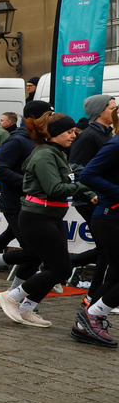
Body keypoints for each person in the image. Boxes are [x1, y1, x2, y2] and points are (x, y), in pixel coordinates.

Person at [0, 113, 96, 327]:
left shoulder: (57, 152)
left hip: (51, 216)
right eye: (68, 132)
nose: (74, 136)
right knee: (61, 269)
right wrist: (81, 188)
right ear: (53, 134)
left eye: (73, 131)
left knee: (58, 267)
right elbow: (55, 189)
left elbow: (69, 180)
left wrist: (88, 193)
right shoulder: (45, 155)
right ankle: (12, 296)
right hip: (38, 217)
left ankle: (27, 308)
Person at [0, 101, 52, 288]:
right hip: (15, 204)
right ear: (35, 119)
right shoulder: (17, 140)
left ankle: (15, 295)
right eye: (48, 116)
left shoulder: (42, 141)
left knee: (34, 252)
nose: (51, 120)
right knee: (33, 251)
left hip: (34, 204)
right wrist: (27, 183)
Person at [68, 94, 116, 303]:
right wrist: (92, 193)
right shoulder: (89, 136)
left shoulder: (108, 134)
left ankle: (95, 296)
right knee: (107, 252)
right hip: (92, 201)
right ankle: (95, 298)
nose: (116, 111)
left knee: (105, 251)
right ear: (100, 111)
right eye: (112, 108)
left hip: (104, 199)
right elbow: (76, 168)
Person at [76, 130, 119, 347]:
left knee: (114, 275)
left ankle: (86, 321)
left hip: (111, 216)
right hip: (110, 217)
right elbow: (88, 174)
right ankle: (93, 315)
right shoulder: (116, 144)